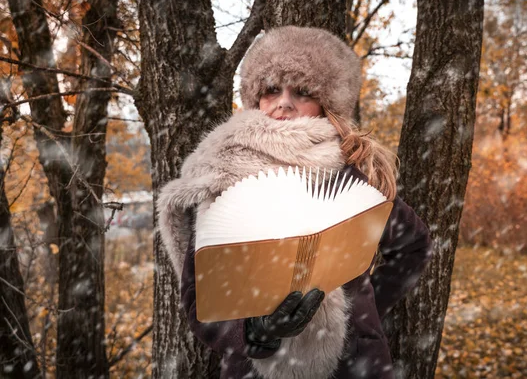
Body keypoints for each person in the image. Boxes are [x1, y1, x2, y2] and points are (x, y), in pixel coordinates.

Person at [157, 26, 432, 379]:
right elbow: (200, 302)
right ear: (255, 98)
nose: (284, 103)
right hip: (255, 370)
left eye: (302, 92)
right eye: (271, 89)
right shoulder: (220, 173)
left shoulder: (346, 172)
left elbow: (413, 244)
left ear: (325, 104)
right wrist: (252, 334)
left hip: (353, 366)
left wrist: (362, 314)